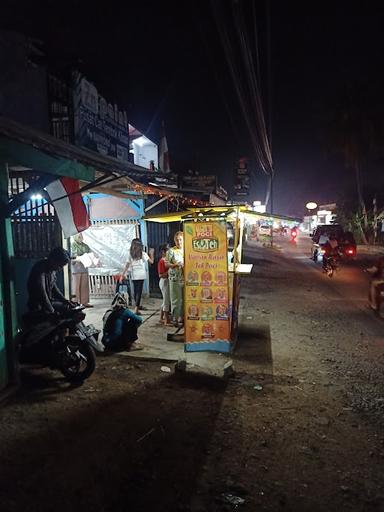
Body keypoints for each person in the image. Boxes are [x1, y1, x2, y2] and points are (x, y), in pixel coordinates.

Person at [27, 247, 72, 315]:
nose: (59, 269)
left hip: (49, 303)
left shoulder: (52, 270)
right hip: (38, 306)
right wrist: (52, 311)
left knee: (69, 309)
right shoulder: (40, 268)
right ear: (53, 260)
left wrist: (66, 301)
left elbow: (54, 288)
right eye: (59, 265)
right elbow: (42, 293)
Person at [122, 238, 153, 314]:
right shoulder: (143, 254)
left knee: (136, 291)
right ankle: (136, 309)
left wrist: (123, 273)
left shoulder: (130, 255)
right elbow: (151, 262)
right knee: (139, 292)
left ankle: (137, 306)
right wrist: (151, 253)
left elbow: (127, 265)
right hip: (141, 275)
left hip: (134, 275)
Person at [165, 231, 184, 327]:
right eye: (177, 240)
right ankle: (175, 319)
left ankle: (182, 318)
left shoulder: (187, 250)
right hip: (175, 279)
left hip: (185, 279)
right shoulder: (171, 251)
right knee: (176, 299)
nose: (179, 242)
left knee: (184, 299)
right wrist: (175, 265)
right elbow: (166, 264)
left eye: (180, 240)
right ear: (174, 241)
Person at [71, 233, 94, 308]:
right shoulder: (72, 245)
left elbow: (90, 254)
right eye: (79, 236)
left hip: (84, 267)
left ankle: (84, 302)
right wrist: (80, 257)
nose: (80, 237)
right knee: (75, 286)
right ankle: (75, 302)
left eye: (81, 236)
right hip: (76, 269)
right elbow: (72, 256)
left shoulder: (85, 246)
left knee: (84, 286)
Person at [158, 244, 171, 325]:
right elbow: (161, 275)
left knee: (165, 301)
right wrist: (170, 270)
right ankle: (166, 320)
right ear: (163, 251)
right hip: (164, 281)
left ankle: (161, 318)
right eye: (167, 250)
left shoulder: (166, 260)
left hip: (166, 281)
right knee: (166, 302)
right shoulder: (162, 261)